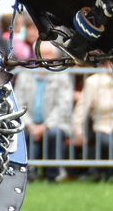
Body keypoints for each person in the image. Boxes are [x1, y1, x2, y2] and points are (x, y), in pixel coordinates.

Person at [72, 65, 113, 181]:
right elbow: (81, 109)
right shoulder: (93, 81)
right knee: (106, 142)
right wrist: (78, 131)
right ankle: (108, 174)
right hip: (102, 124)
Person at [23, 43, 74, 180]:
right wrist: (31, 125)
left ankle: (53, 174)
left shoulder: (62, 75)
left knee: (53, 134)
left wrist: (45, 126)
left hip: (55, 124)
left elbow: (63, 106)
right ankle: (28, 173)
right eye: (41, 54)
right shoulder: (25, 74)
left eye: (47, 54)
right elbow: (19, 103)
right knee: (23, 133)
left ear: (55, 56)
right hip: (29, 124)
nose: (44, 58)